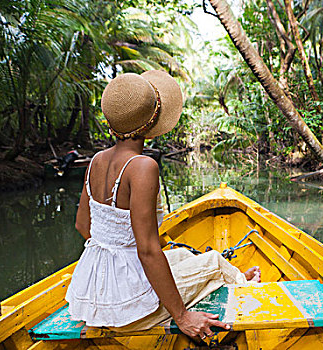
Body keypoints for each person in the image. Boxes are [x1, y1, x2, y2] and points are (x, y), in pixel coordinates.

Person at [65, 70, 260, 340]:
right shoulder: (143, 166)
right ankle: (244, 283)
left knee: (181, 256)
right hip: (126, 305)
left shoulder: (96, 160)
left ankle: (232, 277)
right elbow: (147, 250)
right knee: (214, 261)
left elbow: (82, 225)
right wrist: (182, 317)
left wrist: (117, 259)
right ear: (148, 125)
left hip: (91, 292)